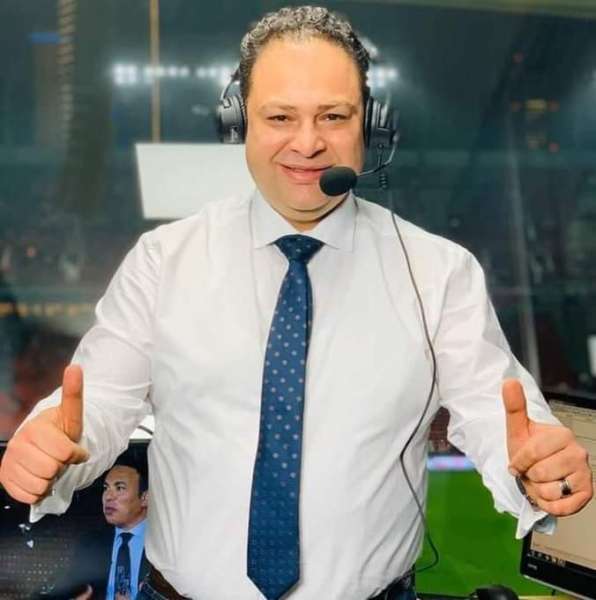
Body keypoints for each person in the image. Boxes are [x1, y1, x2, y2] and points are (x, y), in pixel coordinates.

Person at [0, 6, 592, 600]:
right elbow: (96, 405)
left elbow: (501, 419)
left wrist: (534, 472)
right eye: (280, 117)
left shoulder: (439, 273)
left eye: (333, 116)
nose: (308, 144)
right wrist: (52, 452)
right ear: (239, 122)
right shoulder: (163, 261)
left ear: (371, 124)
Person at [50, 458, 150, 600]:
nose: (108, 497)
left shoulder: (167, 547)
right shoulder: (90, 544)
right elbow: (56, 594)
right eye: (106, 488)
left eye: (119, 488)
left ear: (145, 498)